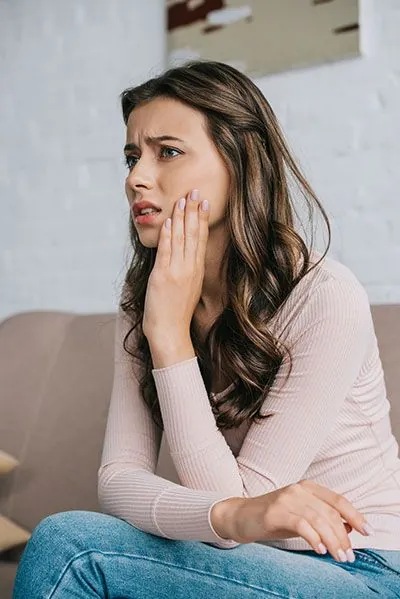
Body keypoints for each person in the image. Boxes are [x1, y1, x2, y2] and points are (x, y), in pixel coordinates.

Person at [13, 60, 400, 598]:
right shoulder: (146, 300)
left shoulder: (323, 296)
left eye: (167, 151)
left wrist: (169, 336)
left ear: (239, 163)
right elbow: (121, 479)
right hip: (252, 569)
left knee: (71, 547)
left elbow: (238, 517)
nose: (135, 179)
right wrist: (162, 320)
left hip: (367, 568)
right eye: (132, 156)